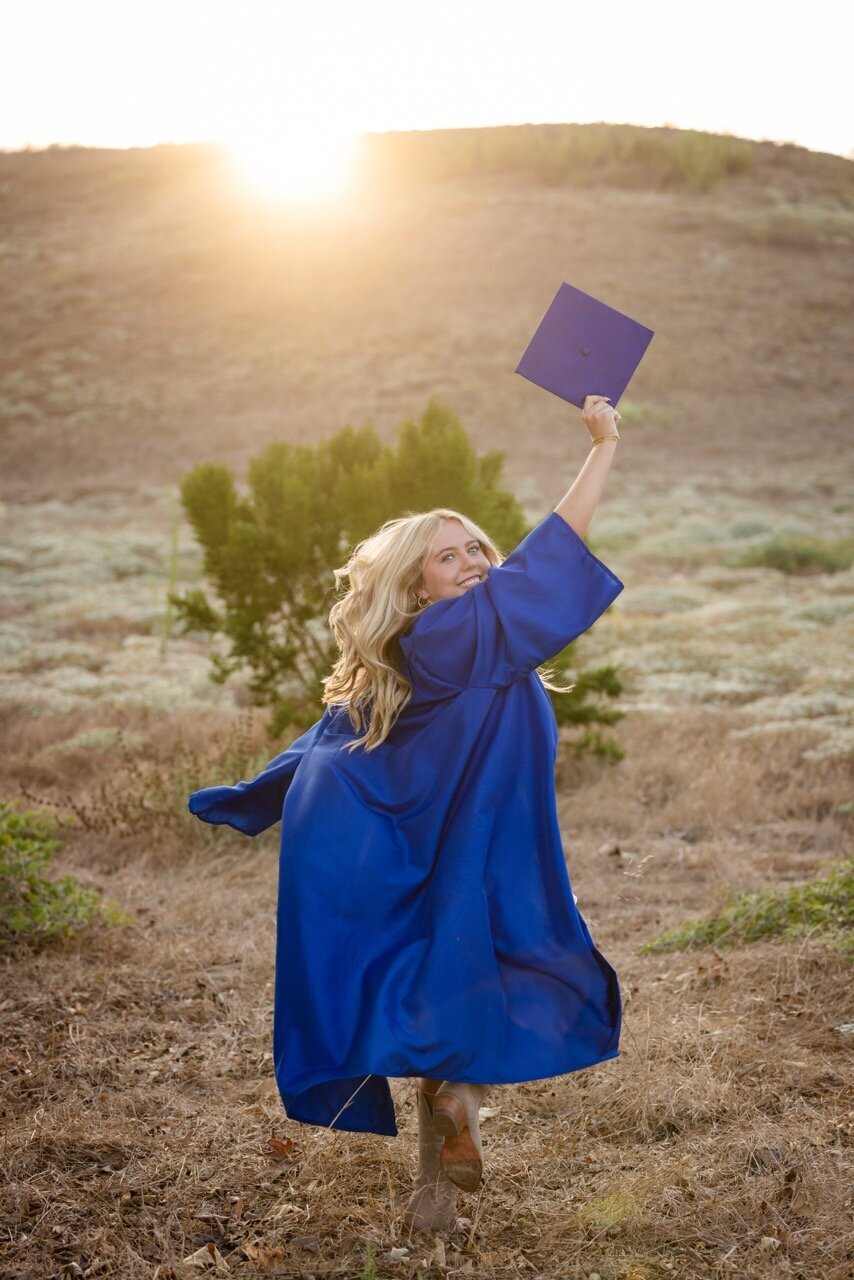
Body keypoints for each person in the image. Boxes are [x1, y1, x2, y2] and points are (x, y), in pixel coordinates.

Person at [187, 393, 624, 1235]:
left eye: (475, 549)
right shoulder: (455, 632)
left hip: (455, 836)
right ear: (415, 584)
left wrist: (262, 790)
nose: (469, 564)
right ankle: (453, 1117)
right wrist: (603, 447)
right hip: (467, 844)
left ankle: (434, 1188)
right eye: (445, 557)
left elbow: (334, 730)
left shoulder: (449, 644)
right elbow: (555, 553)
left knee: (442, 986)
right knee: (498, 973)